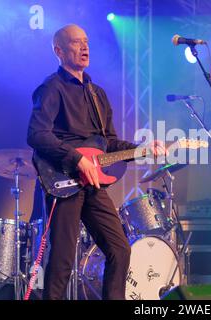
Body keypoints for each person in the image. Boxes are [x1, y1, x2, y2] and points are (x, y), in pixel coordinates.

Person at [27, 24, 165, 300]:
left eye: (86, 42)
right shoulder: (51, 88)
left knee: (120, 248)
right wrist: (76, 158)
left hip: (92, 185)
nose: (84, 47)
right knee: (62, 260)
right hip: (63, 182)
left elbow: (109, 143)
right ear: (59, 51)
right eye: (76, 43)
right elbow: (37, 134)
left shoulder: (96, 94)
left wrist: (142, 149)